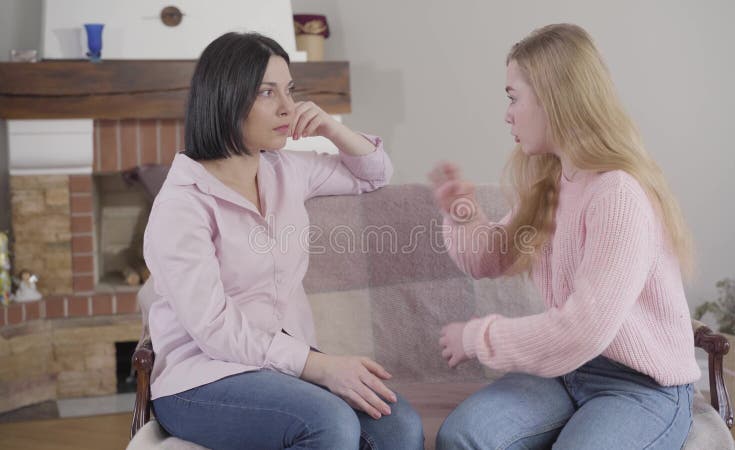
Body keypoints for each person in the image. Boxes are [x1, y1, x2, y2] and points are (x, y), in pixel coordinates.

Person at [143, 32, 423, 450]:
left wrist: (329, 127)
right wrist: (318, 366)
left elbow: (375, 173)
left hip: (278, 369)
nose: (287, 108)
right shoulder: (181, 205)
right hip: (201, 379)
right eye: (266, 92)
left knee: (399, 426)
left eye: (289, 91)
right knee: (329, 423)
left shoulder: (286, 170)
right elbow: (216, 330)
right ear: (226, 97)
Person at [430, 24, 700, 450]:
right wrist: (463, 214)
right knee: (463, 437)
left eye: (512, 97)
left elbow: (583, 328)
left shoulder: (617, 194)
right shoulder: (555, 181)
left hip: (640, 387)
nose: (506, 113)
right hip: (566, 371)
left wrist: (476, 337)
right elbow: (490, 258)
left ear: (554, 98)